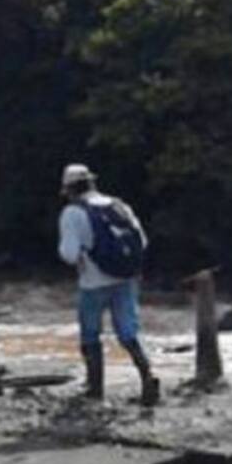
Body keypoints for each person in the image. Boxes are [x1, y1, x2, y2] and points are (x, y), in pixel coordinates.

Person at [57, 163, 160, 406]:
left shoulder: (72, 213)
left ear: (69, 190)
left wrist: (81, 255)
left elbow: (69, 254)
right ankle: (148, 375)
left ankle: (95, 389)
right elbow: (142, 242)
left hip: (93, 282)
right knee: (128, 331)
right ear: (92, 182)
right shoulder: (119, 205)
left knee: (91, 333)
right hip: (126, 278)